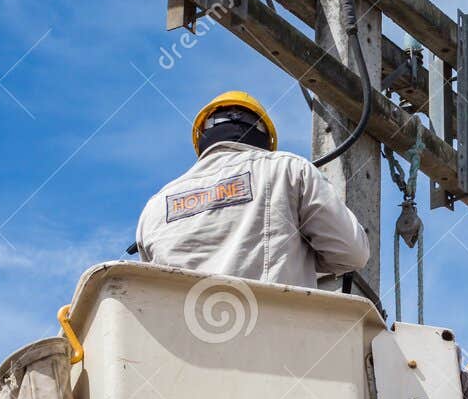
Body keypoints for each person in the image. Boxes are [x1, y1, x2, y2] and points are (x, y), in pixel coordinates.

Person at [135, 91, 369, 288]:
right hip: (274, 335)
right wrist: (298, 256)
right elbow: (353, 253)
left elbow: (150, 291)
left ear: (202, 137)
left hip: (179, 340)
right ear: (265, 138)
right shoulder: (288, 170)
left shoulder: (156, 206)